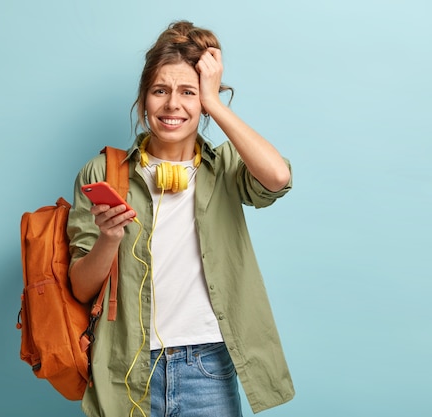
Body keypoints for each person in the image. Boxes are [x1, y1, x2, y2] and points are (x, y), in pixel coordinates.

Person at [67, 20, 295, 417]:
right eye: (160, 91)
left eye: (188, 93)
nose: (173, 104)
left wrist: (215, 103)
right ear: (143, 101)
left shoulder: (224, 166)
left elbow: (277, 177)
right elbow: (81, 288)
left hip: (206, 368)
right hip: (125, 367)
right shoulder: (103, 172)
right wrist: (108, 238)